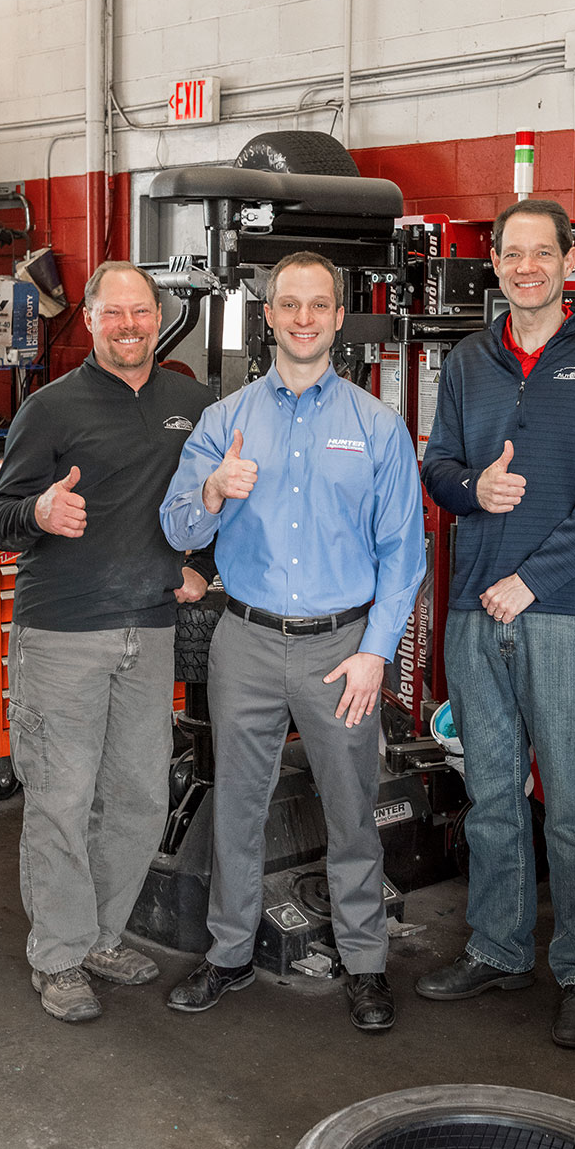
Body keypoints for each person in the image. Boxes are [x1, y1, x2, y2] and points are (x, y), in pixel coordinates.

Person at [160, 251, 426, 1032]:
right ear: (267, 316)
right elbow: (178, 525)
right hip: (243, 641)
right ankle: (230, 952)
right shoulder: (225, 421)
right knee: (237, 808)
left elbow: (402, 558)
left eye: (319, 305)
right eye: (289, 305)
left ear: (339, 318)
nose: (304, 318)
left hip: (341, 649)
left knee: (352, 811)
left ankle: (366, 961)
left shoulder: (375, 427)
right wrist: (211, 490)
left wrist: (376, 652)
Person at [414, 199, 575, 1049]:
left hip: (561, 613)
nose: (526, 267)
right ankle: (500, 946)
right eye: (512, 254)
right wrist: (471, 489)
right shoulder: (469, 361)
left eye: (540, 253)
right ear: (497, 266)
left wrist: (533, 578)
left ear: (566, 261)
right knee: (489, 794)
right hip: (473, 608)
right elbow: (435, 466)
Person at [0, 261, 216, 1023]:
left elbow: (211, 503)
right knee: (60, 799)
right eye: (112, 313)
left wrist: (197, 567)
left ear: (159, 316)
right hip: (61, 634)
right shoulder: (50, 409)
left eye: (140, 313)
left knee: (142, 799)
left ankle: (99, 937)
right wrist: (40, 513)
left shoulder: (193, 402)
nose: (128, 326)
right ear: (89, 320)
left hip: (148, 631)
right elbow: (1, 519)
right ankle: (57, 955)